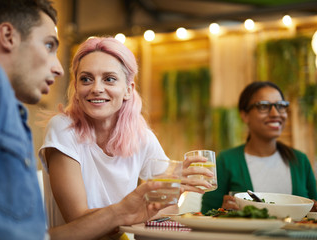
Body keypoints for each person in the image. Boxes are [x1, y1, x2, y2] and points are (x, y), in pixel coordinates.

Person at [0, 1, 170, 240]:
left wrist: (125, 212)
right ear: (8, 36)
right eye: (49, 45)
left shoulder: (13, 116)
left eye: (109, 79)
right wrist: (123, 212)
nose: (58, 69)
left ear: (129, 89)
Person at [39, 36, 214, 228]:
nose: (96, 88)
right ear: (76, 87)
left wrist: (174, 189)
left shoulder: (141, 136)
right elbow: (76, 218)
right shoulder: (62, 128)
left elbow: (168, 208)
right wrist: (135, 209)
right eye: (86, 79)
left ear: (128, 90)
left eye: (109, 79)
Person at [201, 81, 317, 213]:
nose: (275, 113)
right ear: (244, 115)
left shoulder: (300, 160)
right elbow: (205, 215)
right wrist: (222, 212)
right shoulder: (226, 161)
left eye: (280, 106)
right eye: (263, 106)